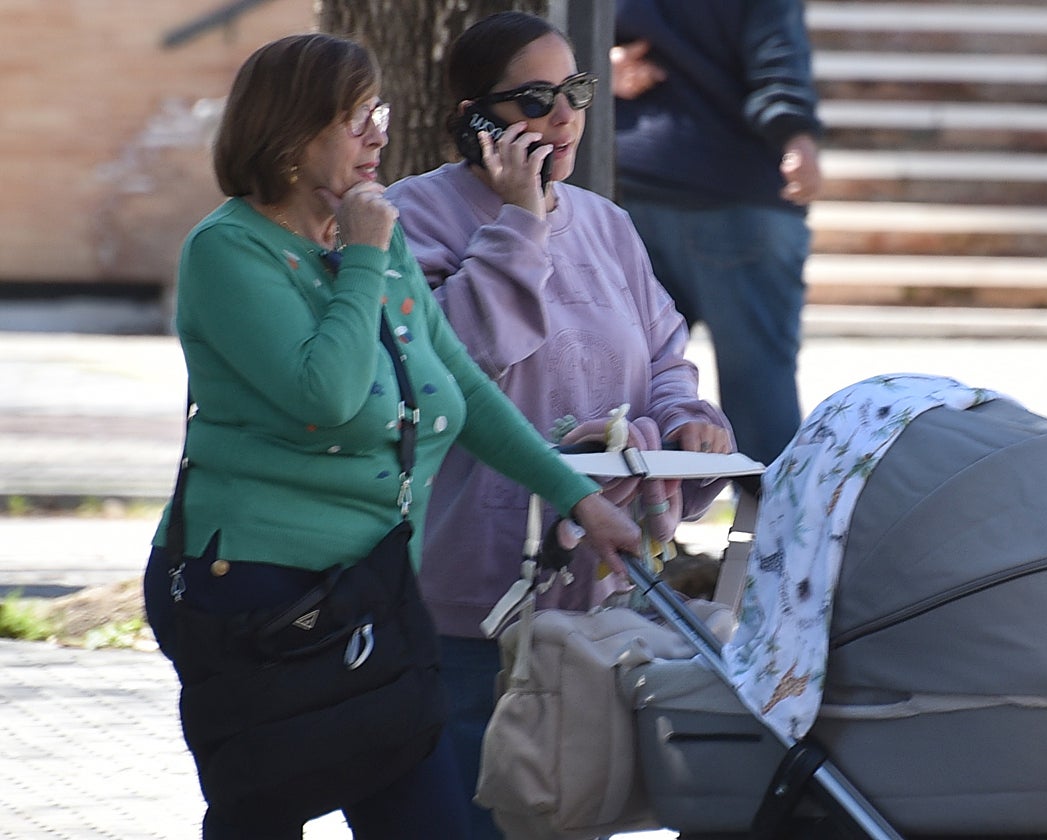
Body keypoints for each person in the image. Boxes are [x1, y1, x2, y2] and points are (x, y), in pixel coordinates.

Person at [140, 32, 643, 840]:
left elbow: (461, 390)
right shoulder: (229, 251)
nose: (378, 133)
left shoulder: (376, 231)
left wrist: (577, 500)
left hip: (373, 584)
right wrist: (366, 259)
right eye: (355, 119)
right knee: (262, 811)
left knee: (421, 814)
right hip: (254, 591)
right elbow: (327, 396)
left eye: (378, 111)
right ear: (291, 135)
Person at [383, 11, 733, 838]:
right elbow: (455, 360)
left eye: (574, 90)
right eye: (535, 99)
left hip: (596, 591)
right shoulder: (412, 216)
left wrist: (688, 422)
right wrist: (520, 221)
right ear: (477, 117)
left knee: (567, 806)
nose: (565, 116)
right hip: (467, 594)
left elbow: (663, 357)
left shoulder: (608, 224)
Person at [612, 0, 823, 466]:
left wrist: (593, 70)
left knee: (629, 376)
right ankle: (773, 528)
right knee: (758, 386)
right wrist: (796, 136)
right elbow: (778, 60)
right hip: (736, 193)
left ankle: (633, 527)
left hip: (635, 185)